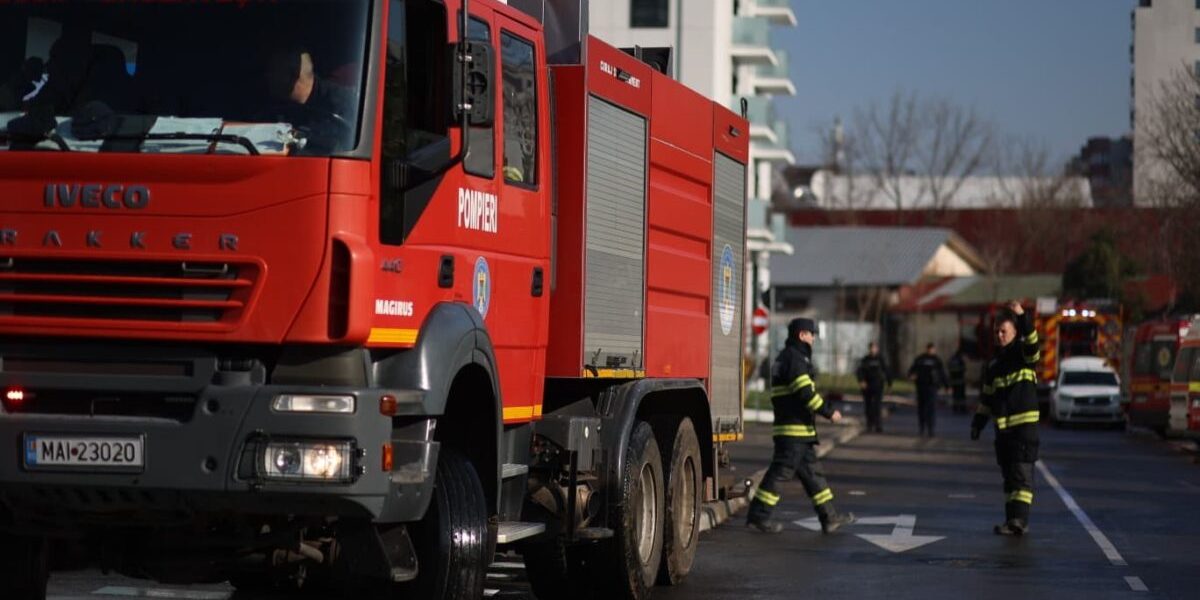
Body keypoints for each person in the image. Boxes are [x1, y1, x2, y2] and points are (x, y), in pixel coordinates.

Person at [746, 318, 856, 534]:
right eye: (811, 334)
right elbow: (805, 393)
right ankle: (759, 515)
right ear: (802, 335)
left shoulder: (786, 357)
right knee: (781, 472)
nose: (814, 338)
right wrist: (828, 411)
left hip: (797, 431)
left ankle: (829, 517)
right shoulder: (795, 358)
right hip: (794, 429)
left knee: (813, 475)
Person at [971, 301, 1041, 536]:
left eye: (1004, 331)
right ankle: (1011, 520)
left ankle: (1020, 520)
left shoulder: (1024, 354)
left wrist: (1022, 316)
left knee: (1021, 477)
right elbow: (987, 398)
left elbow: (1032, 341)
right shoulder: (994, 365)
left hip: (1023, 429)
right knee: (1009, 479)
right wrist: (978, 423)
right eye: (997, 332)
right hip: (1003, 431)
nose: (999, 336)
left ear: (1014, 332)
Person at [908, 343, 948, 437]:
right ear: (927, 349)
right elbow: (912, 370)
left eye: (932, 349)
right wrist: (911, 375)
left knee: (931, 409)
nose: (931, 351)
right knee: (921, 408)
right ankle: (922, 427)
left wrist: (947, 385)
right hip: (921, 386)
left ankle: (931, 429)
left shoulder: (936, 360)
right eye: (929, 349)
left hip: (932, 387)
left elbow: (942, 373)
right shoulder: (920, 359)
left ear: (934, 350)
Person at [855, 342, 891, 433]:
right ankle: (869, 424)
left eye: (874, 348)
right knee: (868, 406)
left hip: (878, 385)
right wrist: (861, 381)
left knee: (877, 406)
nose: (873, 350)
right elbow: (860, 372)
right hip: (867, 386)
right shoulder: (865, 360)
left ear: (877, 349)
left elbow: (886, 371)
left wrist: (889, 383)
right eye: (871, 348)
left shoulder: (880, 360)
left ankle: (878, 425)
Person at [948, 346, 968, 414]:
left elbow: (949, 369)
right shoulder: (960, 360)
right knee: (961, 396)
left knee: (955, 395)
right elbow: (964, 369)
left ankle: (955, 408)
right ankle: (962, 408)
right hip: (960, 380)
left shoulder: (952, 359)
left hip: (954, 381)